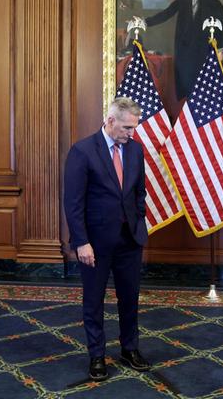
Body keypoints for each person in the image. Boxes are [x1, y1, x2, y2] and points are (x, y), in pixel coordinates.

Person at [64, 97, 150, 381]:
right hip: (95, 244)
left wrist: (139, 224)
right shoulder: (83, 151)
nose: (131, 133)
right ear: (110, 121)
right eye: (127, 127)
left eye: (133, 128)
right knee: (94, 301)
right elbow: (73, 203)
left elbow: (139, 194)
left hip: (129, 241)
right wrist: (81, 242)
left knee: (130, 299)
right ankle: (97, 356)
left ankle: (130, 349)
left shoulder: (136, 150)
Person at [143, 0, 223, 100]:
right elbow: (165, 14)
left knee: (204, 93)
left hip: (204, 55)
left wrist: (222, 50)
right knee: (185, 92)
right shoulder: (182, 2)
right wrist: (144, 22)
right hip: (184, 56)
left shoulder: (215, 4)